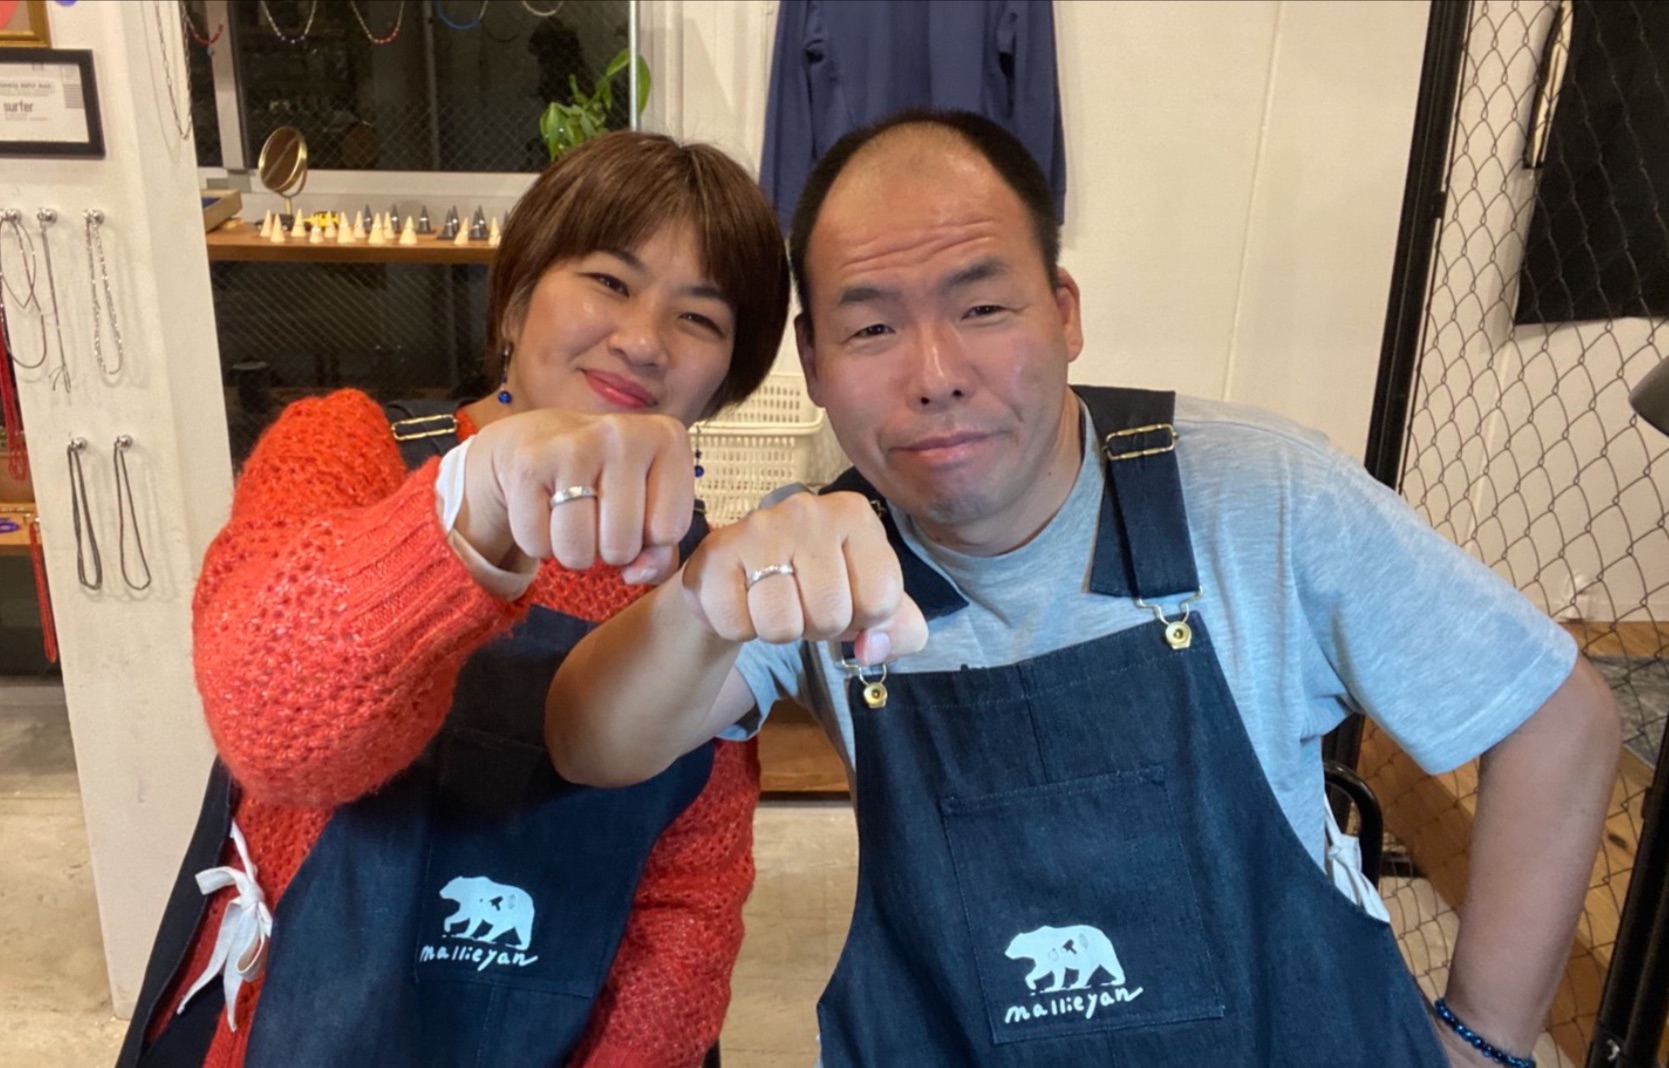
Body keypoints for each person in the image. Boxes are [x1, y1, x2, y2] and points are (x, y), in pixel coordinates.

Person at [545, 110, 1623, 1067]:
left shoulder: (1256, 495)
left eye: (980, 307)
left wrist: (1482, 1039)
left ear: (1063, 313)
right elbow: (592, 745)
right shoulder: (821, 555)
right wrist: (698, 603)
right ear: (814, 362)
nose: (933, 372)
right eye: (870, 327)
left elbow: (1558, 716)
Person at [118, 131, 790, 1068]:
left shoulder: (701, 584)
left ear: (727, 376)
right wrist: (463, 516)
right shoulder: (345, 449)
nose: (642, 340)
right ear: (514, 300)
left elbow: (688, 902)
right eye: (608, 279)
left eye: (700, 319)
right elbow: (268, 726)